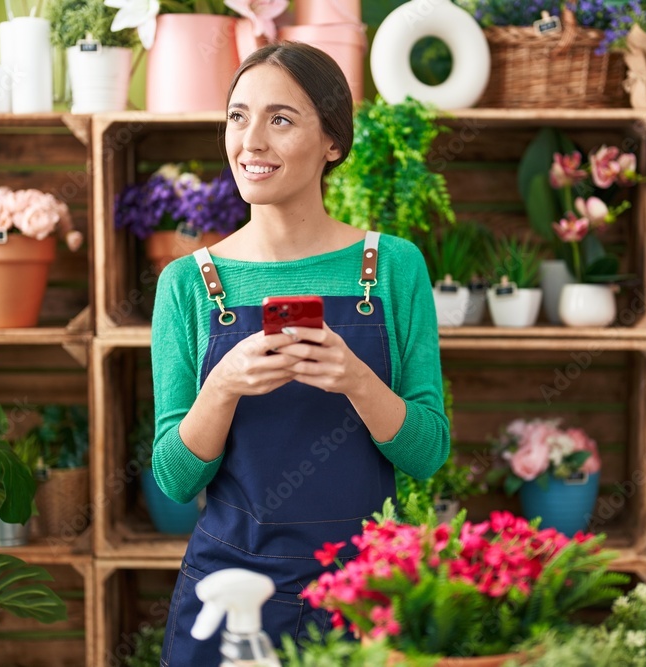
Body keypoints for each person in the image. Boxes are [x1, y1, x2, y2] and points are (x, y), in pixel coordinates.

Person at [152, 42, 450, 666]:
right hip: (228, 590)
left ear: (332, 143)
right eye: (238, 116)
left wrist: (358, 381)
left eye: (280, 119)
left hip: (366, 588)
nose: (250, 141)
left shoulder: (392, 267)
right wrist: (224, 385)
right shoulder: (188, 283)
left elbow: (426, 454)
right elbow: (177, 479)